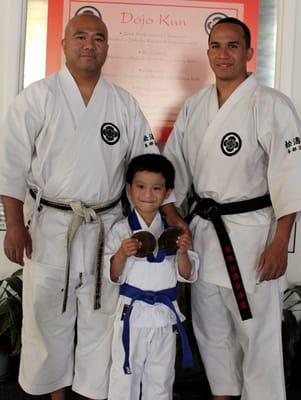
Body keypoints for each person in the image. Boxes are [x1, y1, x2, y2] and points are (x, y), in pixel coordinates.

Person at [0, 12, 163, 400]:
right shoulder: (37, 98)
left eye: (99, 38)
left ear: (107, 46)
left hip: (105, 225)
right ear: (64, 44)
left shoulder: (123, 103)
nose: (89, 44)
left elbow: (146, 165)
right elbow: (12, 166)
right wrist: (14, 226)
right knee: (47, 314)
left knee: (101, 315)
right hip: (50, 224)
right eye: (80, 36)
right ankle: (55, 393)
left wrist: (165, 215)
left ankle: (93, 393)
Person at [163, 17, 301, 400]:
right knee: (212, 332)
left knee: (257, 337)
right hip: (206, 236)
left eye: (233, 46)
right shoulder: (194, 107)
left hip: (254, 237)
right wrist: (175, 218)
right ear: (208, 52)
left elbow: (292, 178)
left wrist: (280, 243)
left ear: (249, 53)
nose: (223, 54)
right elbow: (171, 171)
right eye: (216, 46)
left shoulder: (272, 105)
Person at [103, 154, 199, 400]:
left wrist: (182, 252)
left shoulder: (175, 234)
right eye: (141, 186)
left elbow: (187, 274)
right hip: (131, 317)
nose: (148, 194)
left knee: (161, 380)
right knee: (125, 379)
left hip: (164, 318)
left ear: (167, 193)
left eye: (156, 188)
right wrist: (122, 254)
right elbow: (113, 275)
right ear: (128, 189)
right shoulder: (121, 230)